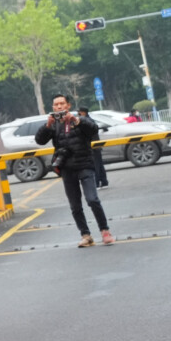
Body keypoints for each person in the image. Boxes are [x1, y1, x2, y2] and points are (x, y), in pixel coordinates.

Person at [36, 95, 113, 247]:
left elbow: (93, 129)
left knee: (92, 199)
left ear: (68, 105)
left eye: (62, 104)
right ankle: (85, 235)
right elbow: (40, 140)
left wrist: (76, 121)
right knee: (75, 205)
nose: (59, 107)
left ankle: (105, 230)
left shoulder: (78, 120)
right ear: (53, 107)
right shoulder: (53, 124)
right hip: (66, 168)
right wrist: (47, 126)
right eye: (56, 104)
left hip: (84, 164)